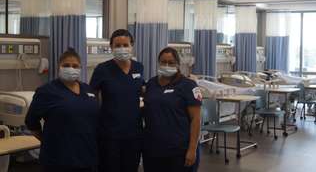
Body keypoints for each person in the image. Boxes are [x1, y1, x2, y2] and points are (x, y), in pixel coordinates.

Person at [25, 48, 99, 172]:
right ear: (59, 67)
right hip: (58, 159)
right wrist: (49, 140)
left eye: (75, 66)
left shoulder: (87, 89)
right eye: (66, 65)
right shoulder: (46, 91)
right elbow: (31, 122)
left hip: (87, 156)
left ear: (80, 68)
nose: (71, 68)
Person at [90, 29, 145, 172]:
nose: (122, 49)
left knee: (131, 167)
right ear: (111, 47)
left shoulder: (139, 67)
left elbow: (142, 90)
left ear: (132, 45)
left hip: (134, 131)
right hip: (109, 133)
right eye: (118, 45)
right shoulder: (102, 69)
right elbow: (91, 97)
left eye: (125, 45)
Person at [142, 47, 202, 172]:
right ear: (158, 63)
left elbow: (196, 120)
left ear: (178, 65)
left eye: (171, 63)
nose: (167, 65)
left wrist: (192, 149)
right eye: (163, 62)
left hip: (179, 150)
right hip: (153, 150)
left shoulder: (188, 86)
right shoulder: (151, 84)